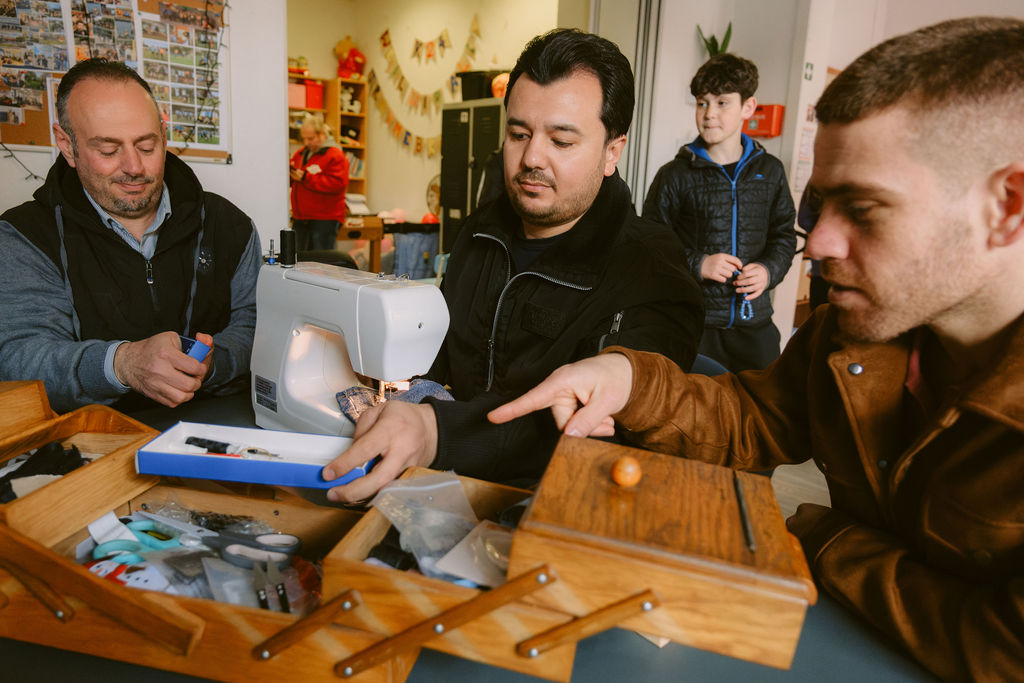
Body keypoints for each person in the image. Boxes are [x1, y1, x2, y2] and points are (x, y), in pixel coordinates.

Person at [490, 17, 1024, 681]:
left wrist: (832, 541)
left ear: (1008, 206)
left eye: (864, 209)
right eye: (819, 206)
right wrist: (629, 380)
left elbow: (1006, 648)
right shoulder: (853, 334)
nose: (817, 245)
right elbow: (753, 417)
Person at [321, 28, 703, 502]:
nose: (530, 158)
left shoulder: (651, 270)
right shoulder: (481, 231)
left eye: (561, 141)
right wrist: (403, 398)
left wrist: (438, 430)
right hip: (441, 485)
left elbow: (598, 427)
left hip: (556, 506)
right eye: (518, 133)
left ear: (612, 152)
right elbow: (437, 353)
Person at [0, 58, 260, 413]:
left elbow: (255, 325)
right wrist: (122, 364)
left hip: (212, 428)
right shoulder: (24, 235)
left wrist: (214, 363)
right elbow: (21, 359)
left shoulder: (229, 225)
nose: (134, 167)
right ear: (66, 144)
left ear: (164, 135)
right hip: (90, 438)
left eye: (147, 146)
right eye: (108, 150)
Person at [643, 53, 796, 372]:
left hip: (755, 326)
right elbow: (650, 245)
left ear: (748, 108)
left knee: (762, 414)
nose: (709, 114)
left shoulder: (770, 171)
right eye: (702, 103)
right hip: (694, 326)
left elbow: (784, 236)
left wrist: (768, 271)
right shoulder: (674, 175)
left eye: (722, 103)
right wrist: (700, 263)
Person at [289, 113, 349, 251]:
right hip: (301, 218)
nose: (306, 142)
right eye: (304, 138)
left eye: (311, 138)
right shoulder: (301, 153)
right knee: (299, 262)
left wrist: (306, 178)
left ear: (322, 134)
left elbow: (337, 184)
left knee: (322, 264)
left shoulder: (335, 155)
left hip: (325, 219)